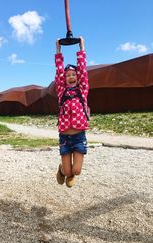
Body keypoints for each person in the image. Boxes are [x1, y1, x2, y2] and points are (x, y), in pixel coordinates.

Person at [55, 36, 89, 188]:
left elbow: (83, 70)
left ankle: (69, 173)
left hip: (78, 136)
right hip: (64, 137)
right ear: (64, 79)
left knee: (76, 170)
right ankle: (62, 170)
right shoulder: (61, 92)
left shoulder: (82, 90)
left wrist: (81, 48)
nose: (71, 77)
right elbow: (59, 71)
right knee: (68, 171)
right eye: (68, 75)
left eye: (73, 75)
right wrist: (58, 50)